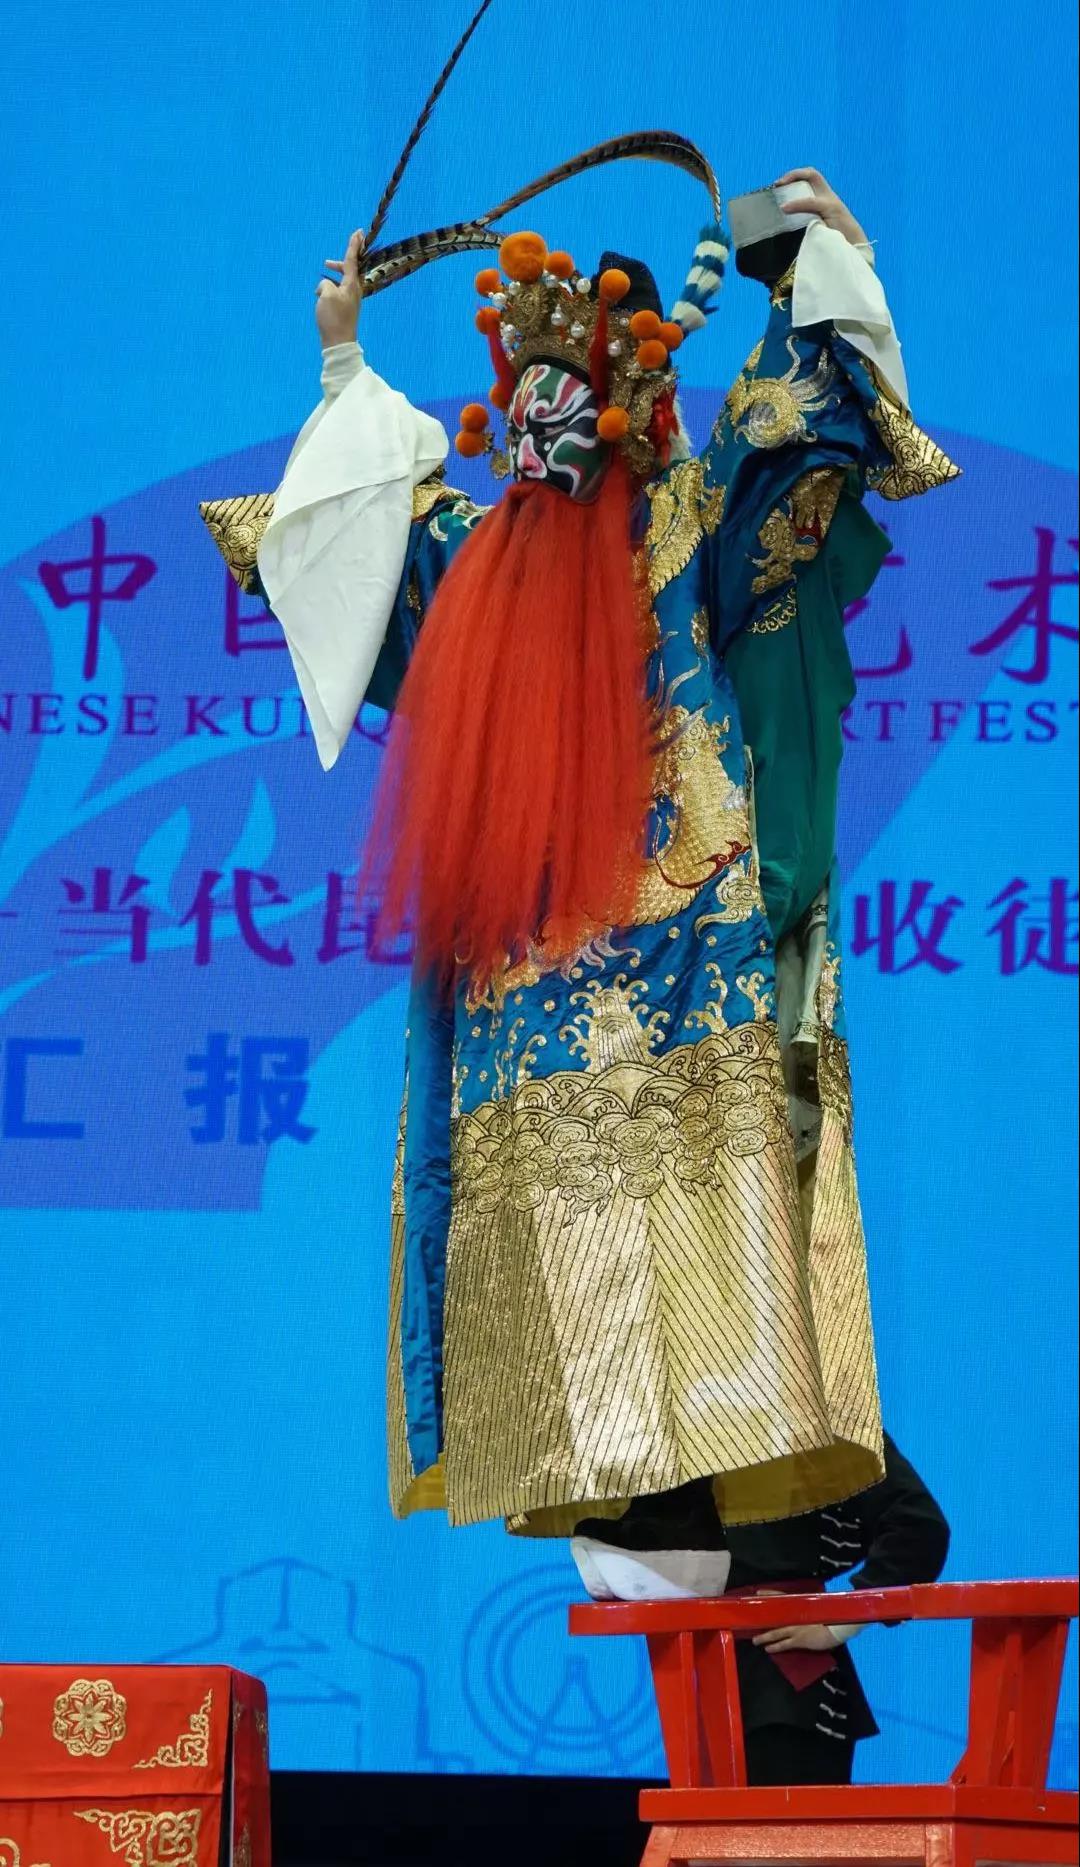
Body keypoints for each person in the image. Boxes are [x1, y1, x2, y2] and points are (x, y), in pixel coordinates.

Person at [203, 133, 959, 1574]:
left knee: (706, 1255)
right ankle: (687, 1510)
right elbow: (342, 536)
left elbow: (794, 426)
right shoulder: (498, 559)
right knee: (600, 1290)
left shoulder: (658, 530)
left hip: (673, 969)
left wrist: (813, 266)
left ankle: (823, 1503)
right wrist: (343, 357)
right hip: (566, 985)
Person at [576, 1433, 950, 1783]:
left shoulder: (822, 1414)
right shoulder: (677, 1423)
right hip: (702, 1684)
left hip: (788, 1691)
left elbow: (918, 1525)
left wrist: (841, 1619)